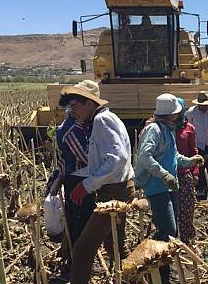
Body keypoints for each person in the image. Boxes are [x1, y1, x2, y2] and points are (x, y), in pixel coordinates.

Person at [63, 80, 135, 284]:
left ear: (89, 103)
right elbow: (107, 160)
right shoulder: (104, 119)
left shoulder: (102, 120)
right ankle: (135, 278)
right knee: (115, 247)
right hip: (118, 188)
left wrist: (87, 185)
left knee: (83, 249)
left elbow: (116, 158)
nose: (72, 111)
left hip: (114, 192)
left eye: (74, 106)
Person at [136, 93, 204, 284]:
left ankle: (163, 270)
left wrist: (190, 161)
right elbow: (144, 156)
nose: (179, 115)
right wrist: (164, 174)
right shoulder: (154, 130)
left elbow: (174, 155)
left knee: (170, 231)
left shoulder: (167, 130)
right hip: (157, 186)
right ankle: (153, 265)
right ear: (170, 114)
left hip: (169, 186)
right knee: (168, 229)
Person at [48, 105, 91, 281]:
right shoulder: (71, 130)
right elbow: (85, 157)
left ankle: (73, 259)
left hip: (75, 178)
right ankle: (74, 263)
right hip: (77, 179)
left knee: (76, 220)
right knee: (79, 221)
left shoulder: (73, 128)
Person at [174, 98, 200, 248]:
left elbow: (193, 152)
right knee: (170, 210)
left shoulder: (189, 128)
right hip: (166, 175)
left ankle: (187, 240)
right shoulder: (164, 128)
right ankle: (171, 241)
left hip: (184, 174)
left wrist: (195, 172)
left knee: (187, 207)